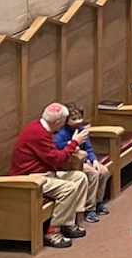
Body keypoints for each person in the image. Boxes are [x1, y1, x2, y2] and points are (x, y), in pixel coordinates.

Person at [10, 103, 103, 248]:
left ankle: (68, 223)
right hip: (31, 177)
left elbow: (54, 159)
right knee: (68, 188)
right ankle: (53, 231)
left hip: (45, 173)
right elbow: (57, 160)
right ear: (58, 122)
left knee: (80, 178)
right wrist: (74, 143)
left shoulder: (41, 128)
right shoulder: (38, 133)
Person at [51, 107, 111, 222]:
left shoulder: (81, 129)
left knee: (103, 171)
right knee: (93, 174)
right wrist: (71, 143)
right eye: (74, 120)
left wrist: (93, 160)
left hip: (85, 159)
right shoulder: (61, 132)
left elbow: (88, 148)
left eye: (79, 120)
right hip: (71, 162)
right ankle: (89, 208)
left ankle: (98, 202)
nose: (77, 123)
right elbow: (57, 146)